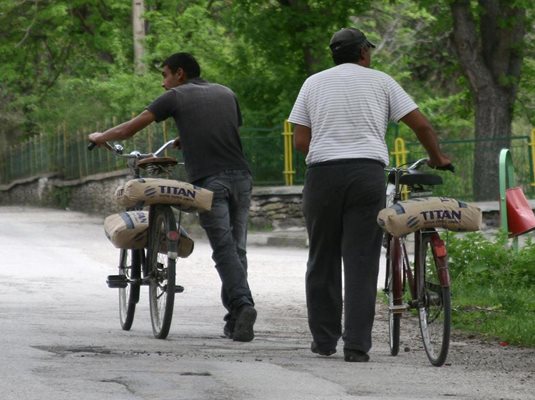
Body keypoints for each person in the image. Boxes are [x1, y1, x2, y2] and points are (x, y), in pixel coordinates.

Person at [288, 28, 451, 362]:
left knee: (322, 257)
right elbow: (421, 125)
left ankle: (323, 340)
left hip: (323, 175)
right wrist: (437, 157)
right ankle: (357, 346)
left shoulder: (313, 83)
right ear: (363, 52)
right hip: (366, 174)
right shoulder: (383, 82)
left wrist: (328, 147)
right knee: (361, 259)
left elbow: (300, 142)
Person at [88, 52, 257, 342]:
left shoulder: (175, 96)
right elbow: (223, 127)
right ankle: (235, 318)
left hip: (210, 181)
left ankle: (243, 306)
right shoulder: (226, 93)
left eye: (165, 75)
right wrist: (187, 136)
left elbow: (130, 128)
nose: (164, 83)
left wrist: (100, 137)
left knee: (223, 248)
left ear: (179, 73)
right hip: (242, 177)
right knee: (237, 248)